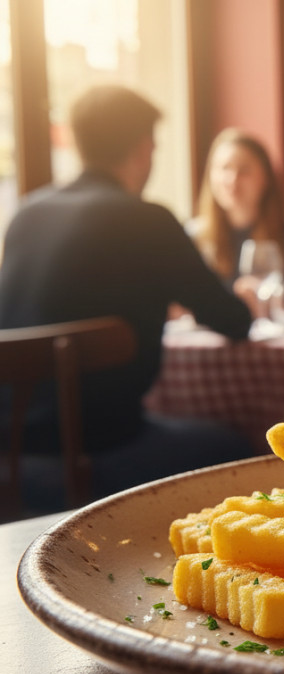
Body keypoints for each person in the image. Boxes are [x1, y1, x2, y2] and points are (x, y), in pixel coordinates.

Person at [0, 85, 255, 506]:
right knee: (241, 451)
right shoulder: (147, 220)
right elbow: (232, 321)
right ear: (143, 148)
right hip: (99, 452)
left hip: (9, 454)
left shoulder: (26, 214)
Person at [187, 128, 284, 291]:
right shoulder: (192, 238)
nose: (232, 179)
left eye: (244, 170)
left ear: (266, 178)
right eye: (224, 168)